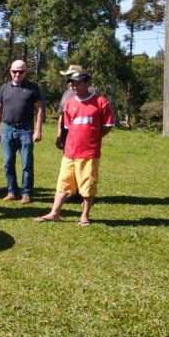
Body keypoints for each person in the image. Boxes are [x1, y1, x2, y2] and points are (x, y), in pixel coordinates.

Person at [35, 68, 114, 226]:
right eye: (71, 83)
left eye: (77, 83)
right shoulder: (69, 103)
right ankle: (55, 213)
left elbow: (107, 126)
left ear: (87, 83)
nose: (73, 86)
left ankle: (84, 215)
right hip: (70, 152)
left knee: (87, 185)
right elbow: (67, 127)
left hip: (89, 153)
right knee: (63, 182)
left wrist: (93, 138)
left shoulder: (101, 102)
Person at [0, 60, 44, 204]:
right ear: (10, 71)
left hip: (25, 130)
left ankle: (26, 193)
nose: (17, 74)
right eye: (15, 71)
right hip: (7, 129)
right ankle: (12, 191)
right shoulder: (4, 88)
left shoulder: (32, 88)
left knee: (27, 163)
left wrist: (38, 130)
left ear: (25, 72)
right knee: (8, 163)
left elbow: (39, 110)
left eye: (21, 71)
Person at [56, 64, 96, 203]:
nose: (68, 79)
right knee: (69, 164)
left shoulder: (91, 92)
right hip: (68, 132)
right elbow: (62, 115)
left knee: (84, 166)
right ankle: (73, 191)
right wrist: (59, 133)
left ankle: (83, 193)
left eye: (70, 76)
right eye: (67, 77)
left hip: (84, 136)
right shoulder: (67, 93)